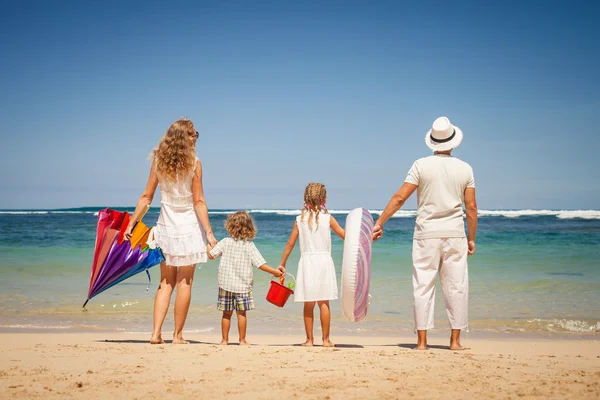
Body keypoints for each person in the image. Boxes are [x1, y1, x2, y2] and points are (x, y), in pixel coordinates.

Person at [373, 116, 478, 351]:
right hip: (454, 234)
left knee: (423, 286)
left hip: (426, 234)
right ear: (453, 142)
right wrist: (471, 238)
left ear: (432, 142)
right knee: (456, 286)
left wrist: (379, 222)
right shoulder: (465, 169)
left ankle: (421, 342)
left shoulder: (420, 165)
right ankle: (455, 342)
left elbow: (400, 197)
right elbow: (470, 207)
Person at [124, 118, 217, 345]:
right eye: (194, 134)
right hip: (189, 229)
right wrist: (210, 233)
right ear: (187, 138)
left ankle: (155, 334)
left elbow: (146, 196)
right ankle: (177, 336)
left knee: (166, 282)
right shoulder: (195, 163)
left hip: (166, 227)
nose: (196, 138)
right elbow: (199, 201)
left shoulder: (159, 162)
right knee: (185, 282)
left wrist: (131, 223)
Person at [278, 183, 345, 347]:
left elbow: (289, 244)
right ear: (324, 198)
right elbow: (345, 236)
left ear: (305, 198)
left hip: (307, 263)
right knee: (324, 303)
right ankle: (326, 340)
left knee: (308, 303)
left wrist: (282, 263)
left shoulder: (299, 220)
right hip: (324, 263)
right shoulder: (328, 218)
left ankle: (309, 340)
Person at [207, 211, 284, 346]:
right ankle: (242, 341)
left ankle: (224, 341)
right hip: (243, 286)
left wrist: (208, 246)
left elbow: (211, 256)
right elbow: (260, 264)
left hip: (225, 284)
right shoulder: (249, 246)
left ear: (230, 226)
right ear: (249, 228)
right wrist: (275, 272)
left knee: (226, 314)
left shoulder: (225, 242)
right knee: (241, 314)